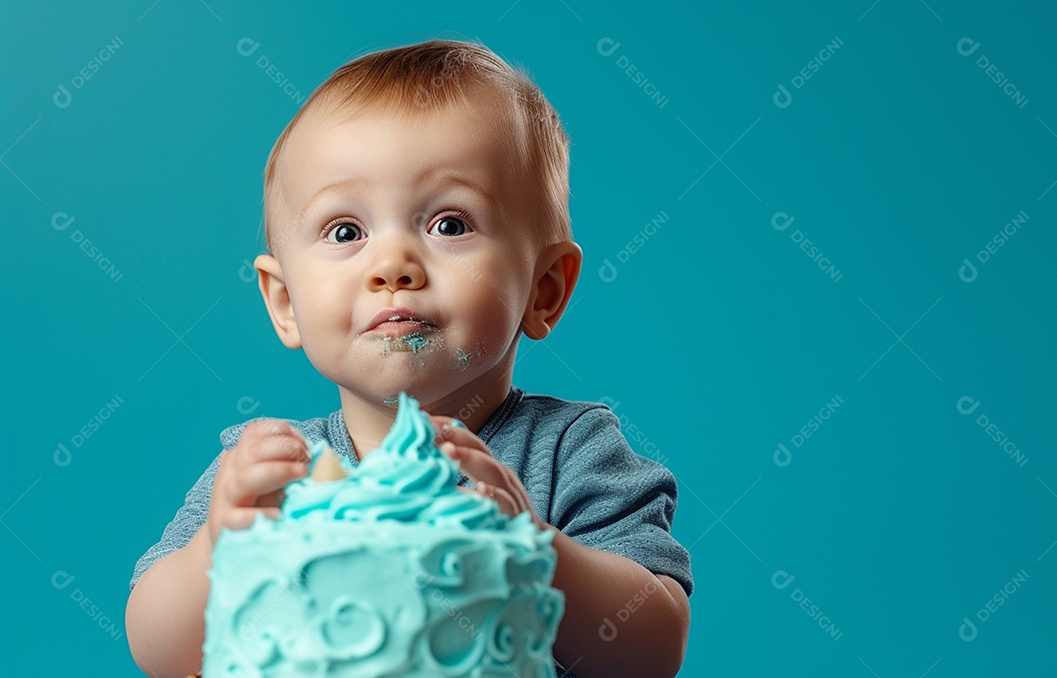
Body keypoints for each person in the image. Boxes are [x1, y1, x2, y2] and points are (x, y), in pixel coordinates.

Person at [125, 39, 692, 677]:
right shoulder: (270, 471)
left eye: (450, 224)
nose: (392, 265)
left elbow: (652, 650)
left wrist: (541, 554)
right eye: (347, 232)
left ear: (544, 289)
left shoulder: (568, 453)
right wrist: (217, 549)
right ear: (285, 302)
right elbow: (159, 651)